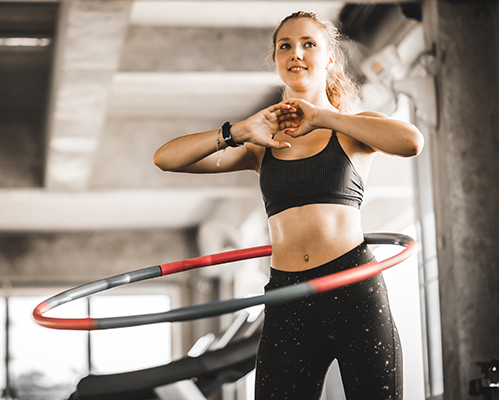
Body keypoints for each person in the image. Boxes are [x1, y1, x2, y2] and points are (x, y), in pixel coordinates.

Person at [153, 10, 423, 400]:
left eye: (308, 44)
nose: (296, 53)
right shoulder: (261, 143)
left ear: (329, 58)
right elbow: (166, 158)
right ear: (277, 60)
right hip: (288, 298)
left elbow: (412, 142)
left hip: (354, 292)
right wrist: (237, 132)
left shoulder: (352, 129)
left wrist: (326, 117)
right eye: (286, 46)